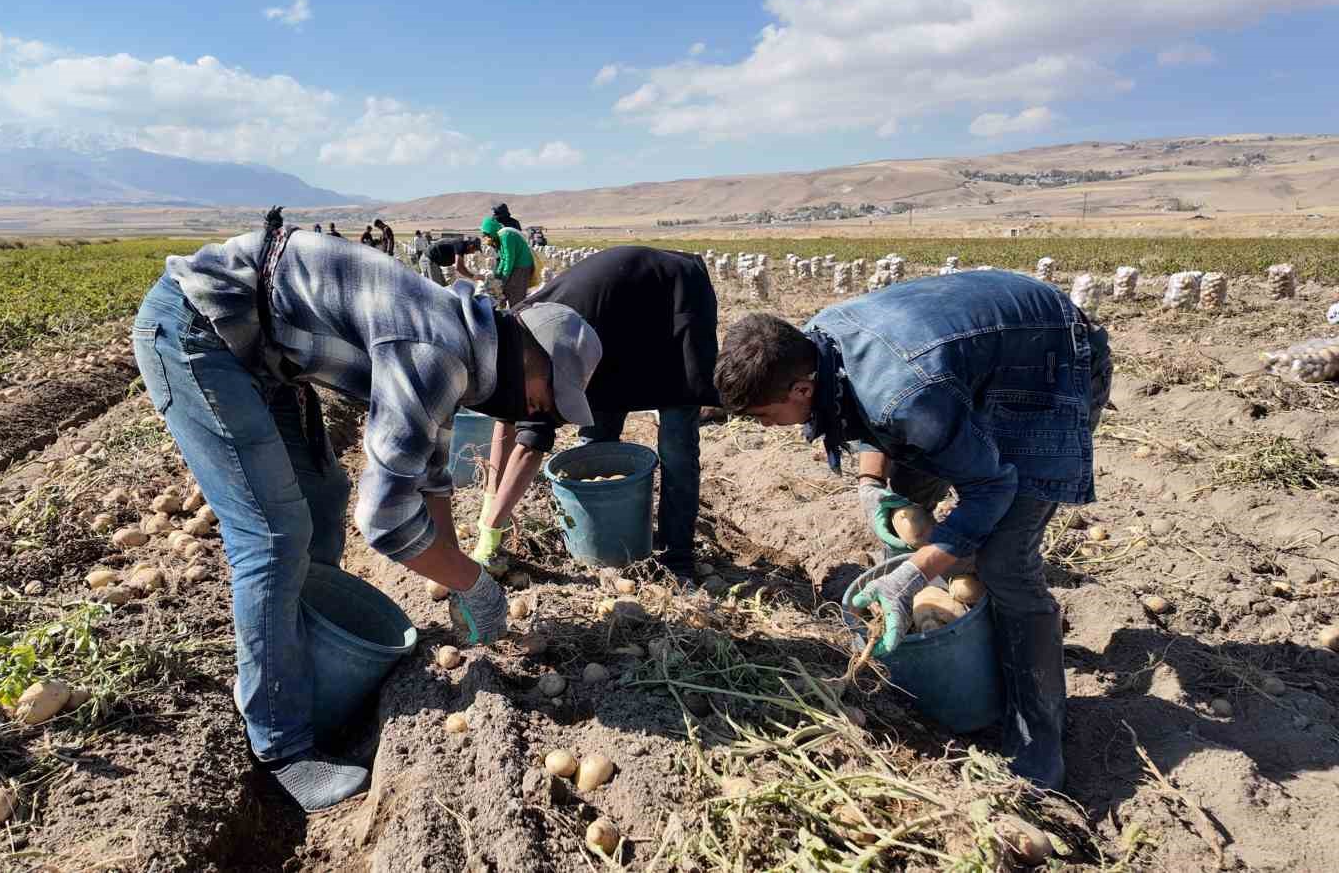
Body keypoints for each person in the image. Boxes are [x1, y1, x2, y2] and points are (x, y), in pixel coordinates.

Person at [133, 209, 601, 813]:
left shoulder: (466, 343)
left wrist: (454, 561)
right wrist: (473, 582)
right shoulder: (437, 352)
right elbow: (381, 520)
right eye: (547, 392)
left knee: (321, 496)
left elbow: (429, 470)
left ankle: (307, 658)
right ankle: (283, 746)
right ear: (527, 354)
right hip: (200, 330)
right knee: (274, 536)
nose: (541, 410)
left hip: (263, 354)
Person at [711, 270, 1111, 791]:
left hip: (1050, 362)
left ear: (802, 388)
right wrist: (871, 483)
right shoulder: (814, 345)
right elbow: (861, 409)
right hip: (961, 366)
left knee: (1005, 562)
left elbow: (990, 486)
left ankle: (1038, 738)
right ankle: (937, 647)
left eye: (765, 415)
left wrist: (916, 573)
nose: (765, 427)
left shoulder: (905, 396)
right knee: (910, 498)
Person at [473, 247, 718, 580]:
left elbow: (530, 444)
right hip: (613, 327)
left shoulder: (541, 355)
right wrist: (490, 500)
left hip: (678, 299)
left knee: (676, 441)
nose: (533, 408)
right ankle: (604, 541)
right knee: (596, 432)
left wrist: (490, 530)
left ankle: (677, 557)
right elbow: (506, 423)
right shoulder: (513, 349)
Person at [480, 215, 536, 306]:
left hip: (522, 266)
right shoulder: (500, 237)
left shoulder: (506, 236)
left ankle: (516, 313)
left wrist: (504, 277)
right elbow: (503, 259)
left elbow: (509, 258)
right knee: (506, 287)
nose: (487, 238)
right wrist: (498, 274)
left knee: (515, 292)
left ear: (491, 232)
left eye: (487, 235)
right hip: (516, 265)